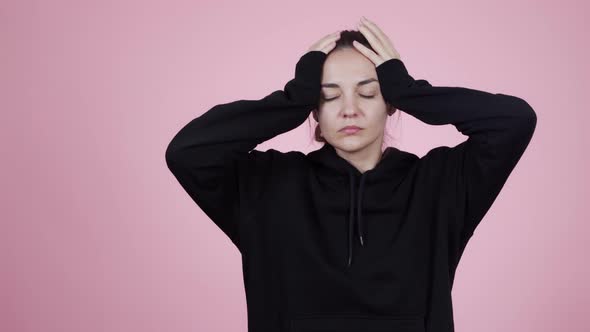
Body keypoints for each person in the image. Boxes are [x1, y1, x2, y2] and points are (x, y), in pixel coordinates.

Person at [165, 17, 536, 332]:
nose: (349, 109)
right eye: (329, 96)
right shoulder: (266, 187)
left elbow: (514, 121)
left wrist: (409, 90)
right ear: (314, 110)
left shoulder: (439, 187)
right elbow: (188, 153)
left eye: (368, 93)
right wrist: (293, 98)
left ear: (390, 103)